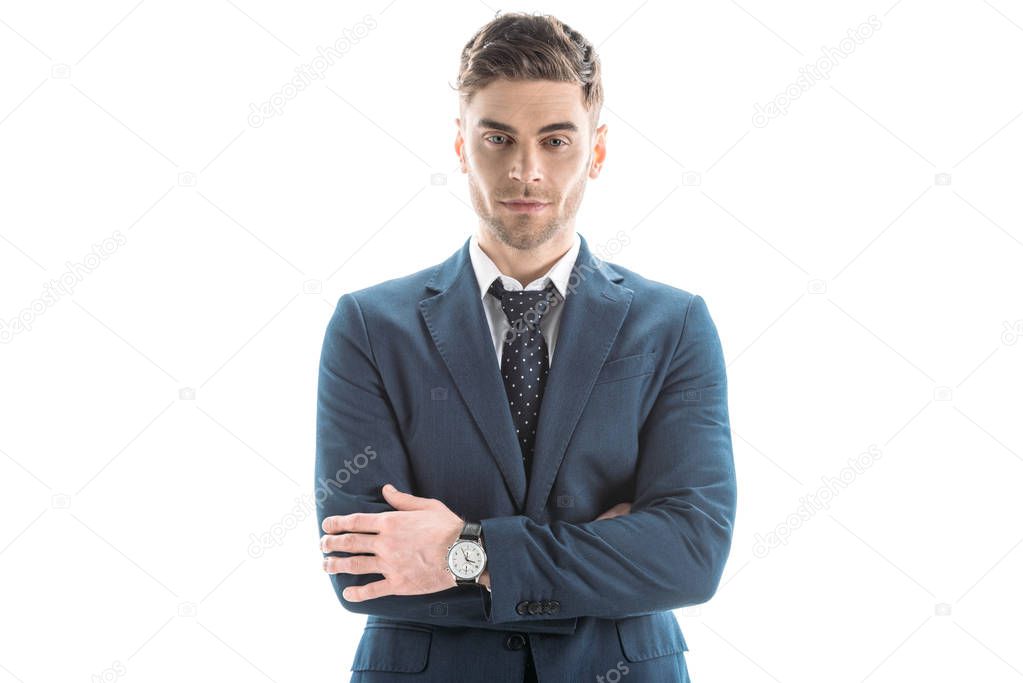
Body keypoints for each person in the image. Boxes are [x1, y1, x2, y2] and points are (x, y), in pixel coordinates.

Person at [315, 11, 736, 682]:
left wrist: (464, 549)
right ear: (460, 146)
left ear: (596, 152)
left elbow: (688, 554)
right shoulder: (370, 326)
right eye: (497, 138)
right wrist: (606, 556)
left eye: (556, 140)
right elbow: (365, 569)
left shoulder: (674, 323)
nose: (526, 170)